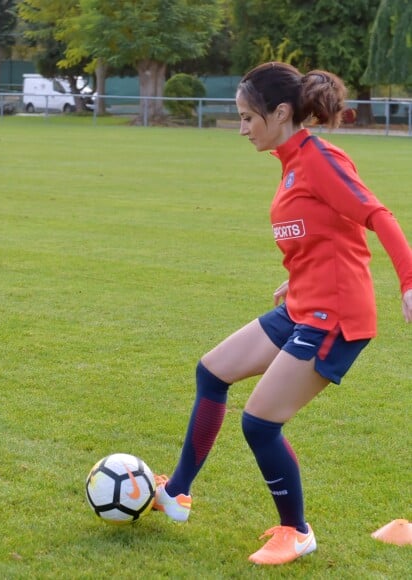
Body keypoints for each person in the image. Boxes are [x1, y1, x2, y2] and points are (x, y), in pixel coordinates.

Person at [153, 62, 412, 566]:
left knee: (260, 423)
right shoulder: (290, 162)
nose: (243, 128)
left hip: (334, 318)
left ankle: (296, 531)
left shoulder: (320, 159)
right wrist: (298, 275)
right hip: (303, 304)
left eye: (249, 118)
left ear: (281, 112)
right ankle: (177, 492)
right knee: (213, 370)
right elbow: (321, 232)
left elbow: (377, 216)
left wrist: (409, 282)